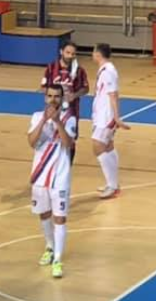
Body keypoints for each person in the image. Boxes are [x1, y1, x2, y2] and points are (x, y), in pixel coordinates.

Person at [28, 85, 76, 278]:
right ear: (45, 97)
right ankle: (49, 246)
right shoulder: (36, 116)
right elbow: (31, 142)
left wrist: (57, 122)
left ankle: (57, 259)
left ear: (61, 98)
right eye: (50, 96)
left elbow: (68, 143)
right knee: (44, 214)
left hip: (60, 176)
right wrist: (44, 121)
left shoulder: (69, 118)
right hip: (40, 175)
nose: (53, 99)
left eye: (57, 96)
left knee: (60, 218)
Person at [91, 43, 130, 199]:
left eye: (94, 51)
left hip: (106, 116)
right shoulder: (105, 69)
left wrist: (116, 117)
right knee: (108, 147)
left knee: (98, 146)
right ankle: (112, 183)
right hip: (102, 114)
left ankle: (112, 186)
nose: (92, 54)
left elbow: (113, 95)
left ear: (98, 54)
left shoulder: (108, 71)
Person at [40, 40, 89, 164]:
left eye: (73, 54)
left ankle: (68, 164)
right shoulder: (51, 68)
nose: (70, 56)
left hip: (71, 111)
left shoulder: (79, 71)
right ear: (61, 51)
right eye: (68, 53)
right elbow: (43, 87)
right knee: (50, 135)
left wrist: (74, 95)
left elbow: (85, 88)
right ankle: (50, 162)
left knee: (70, 138)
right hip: (53, 109)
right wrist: (53, 95)